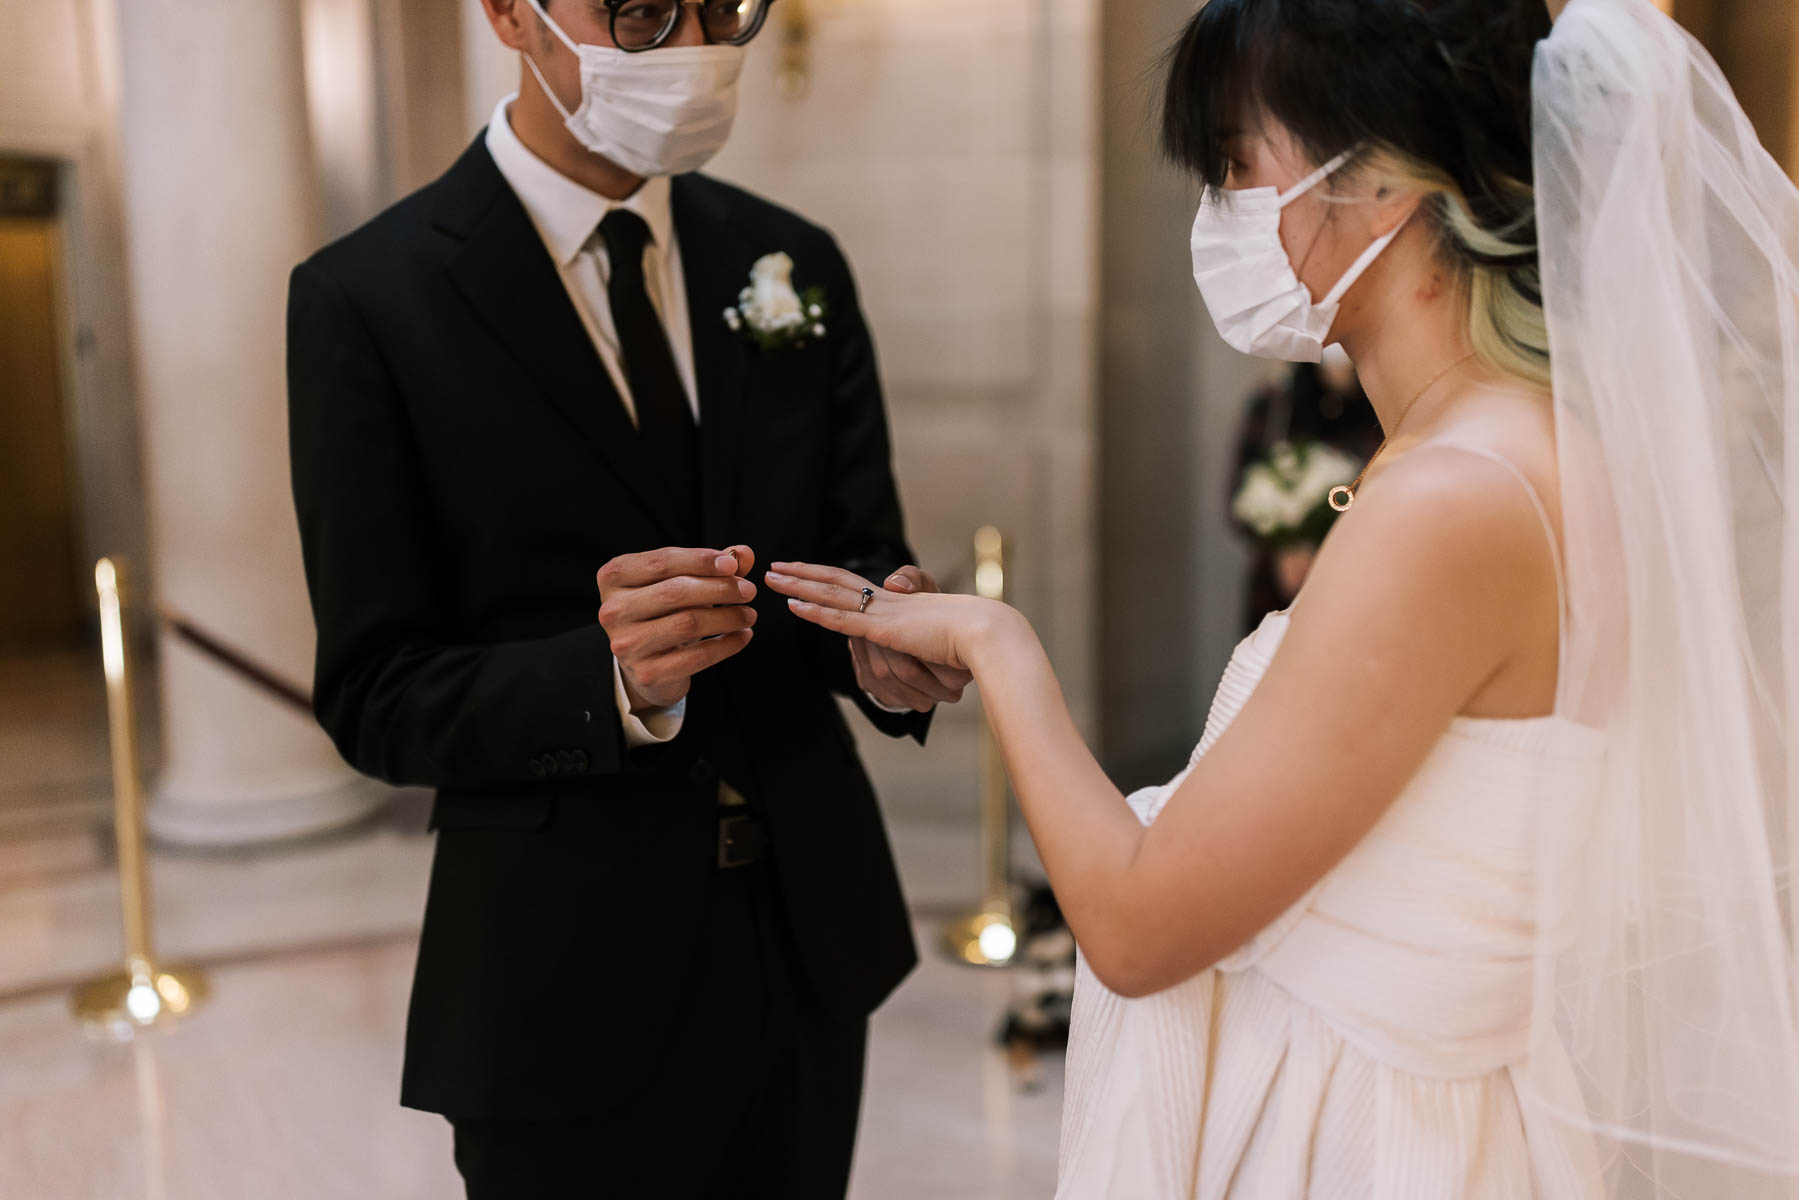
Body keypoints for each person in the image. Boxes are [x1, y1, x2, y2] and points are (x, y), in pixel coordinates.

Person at [769, 0, 1799, 1195]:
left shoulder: (1454, 497)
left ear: (1379, 186)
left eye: (1237, 166)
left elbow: (1138, 929)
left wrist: (997, 645)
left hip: (1376, 1136)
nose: (1221, 215)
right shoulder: (1522, 448)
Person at [286, 1, 970, 1195]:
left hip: (809, 935)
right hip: (558, 980)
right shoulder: (369, 298)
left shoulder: (788, 260)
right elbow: (372, 691)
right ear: (510, 13)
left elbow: (851, 550)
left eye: (724, 7)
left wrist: (878, 639)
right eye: (646, 9)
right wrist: (602, 682)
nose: (695, 43)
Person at [1227, 353, 1380, 627]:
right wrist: (1285, 545)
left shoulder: (1380, 407)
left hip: (1356, 583)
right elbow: (1239, 497)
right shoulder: (1277, 406)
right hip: (1277, 593)